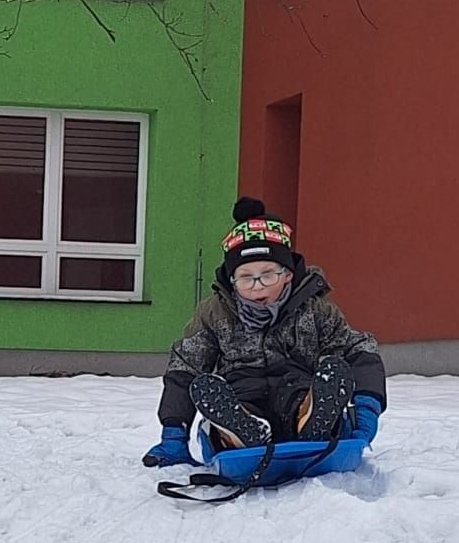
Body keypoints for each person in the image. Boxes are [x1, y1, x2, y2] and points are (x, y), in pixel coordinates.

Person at [143, 197, 386, 466]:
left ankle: (311, 421)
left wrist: (367, 405)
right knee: (229, 404)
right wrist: (174, 432)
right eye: (246, 278)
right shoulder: (215, 313)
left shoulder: (314, 310)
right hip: (240, 396)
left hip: (298, 390)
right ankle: (240, 431)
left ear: (288, 274)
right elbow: (186, 366)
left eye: (268, 275)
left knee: (307, 392)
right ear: (232, 281)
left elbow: (357, 350)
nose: (257, 286)